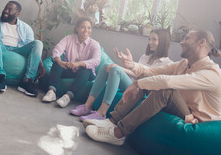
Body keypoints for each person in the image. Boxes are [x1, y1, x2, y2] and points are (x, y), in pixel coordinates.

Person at [84, 29, 221, 146]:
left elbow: (168, 82)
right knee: (146, 77)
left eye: (186, 38)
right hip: (183, 108)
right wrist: (132, 65)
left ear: (201, 42)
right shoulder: (183, 64)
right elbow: (152, 71)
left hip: (197, 119)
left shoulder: (212, 73)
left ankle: (118, 134)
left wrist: (137, 83)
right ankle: (112, 121)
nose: (181, 42)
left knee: (164, 90)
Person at [70, 28, 173, 121]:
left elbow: (148, 80)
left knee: (115, 69)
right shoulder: (145, 57)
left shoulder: (168, 64)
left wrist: (120, 68)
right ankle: (87, 106)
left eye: (154, 39)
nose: (150, 42)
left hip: (142, 91)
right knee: (106, 66)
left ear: (163, 42)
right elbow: (135, 73)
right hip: (131, 85)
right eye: (149, 39)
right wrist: (128, 65)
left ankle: (101, 113)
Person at [0, 1, 45, 97]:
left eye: (9, 9)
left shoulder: (26, 28)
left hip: (18, 50)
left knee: (38, 43)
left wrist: (40, 64)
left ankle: (27, 81)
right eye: (5, 8)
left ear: (17, 13)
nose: (5, 11)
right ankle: (0, 77)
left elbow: (31, 48)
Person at [42, 17, 101, 108]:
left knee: (85, 68)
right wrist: (59, 61)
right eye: (83, 27)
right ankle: (51, 92)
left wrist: (79, 63)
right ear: (77, 28)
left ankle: (67, 96)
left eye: (89, 28)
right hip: (69, 69)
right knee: (57, 62)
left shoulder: (94, 44)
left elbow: (96, 60)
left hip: (86, 74)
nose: (86, 30)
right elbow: (57, 50)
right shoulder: (69, 38)